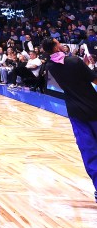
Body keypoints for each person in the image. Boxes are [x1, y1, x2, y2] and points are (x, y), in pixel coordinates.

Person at [42, 36, 97, 202]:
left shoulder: (50, 66)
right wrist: (90, 67)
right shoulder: (75, 61)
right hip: (93, 107)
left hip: (74, 111)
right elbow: (93, 79)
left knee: (89, 151)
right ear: (56, 47)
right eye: (57, 42)